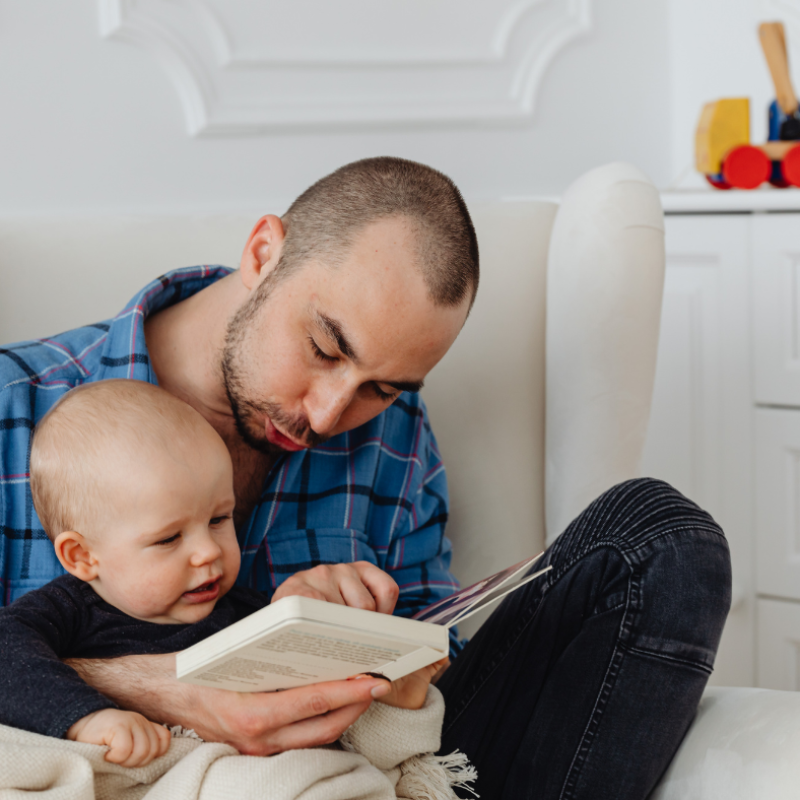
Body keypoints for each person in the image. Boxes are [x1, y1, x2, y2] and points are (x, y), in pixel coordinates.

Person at [0, 156, 731, 799]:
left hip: (366, 763)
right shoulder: (17, 405)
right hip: (142, 775)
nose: (327, 413)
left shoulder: (396, 437)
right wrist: (166, 686)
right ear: (263, 253)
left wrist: (382, 645)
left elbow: (434, 687)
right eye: (324, 347)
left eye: (384, 387)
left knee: (660, 538)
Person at [0, 379, 457, 797]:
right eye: (169, 538)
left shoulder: (249, 613)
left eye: (219, 519)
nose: (208, 552)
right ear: (82, 557)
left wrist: (393, 695)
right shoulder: (67, 609)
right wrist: (86, 717)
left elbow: (327, 725)